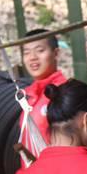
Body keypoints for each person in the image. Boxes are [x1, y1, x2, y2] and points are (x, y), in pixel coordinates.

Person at [18, 29, 67, 165]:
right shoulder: (29, 96)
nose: (32, 57)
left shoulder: (64, 93)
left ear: (56, 53)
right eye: (26, 52)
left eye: (40, 50)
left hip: (55, 172)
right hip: (32, 173)